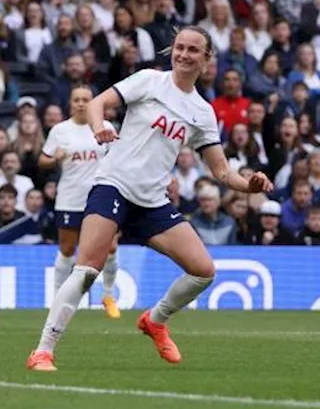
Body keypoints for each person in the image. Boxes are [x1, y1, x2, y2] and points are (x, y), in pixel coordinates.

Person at [27, 28, 273, 372]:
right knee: (86, 270)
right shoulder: (148, 80)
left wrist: (250, 185)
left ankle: (155, 321)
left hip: (151, 201)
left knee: (203, 271)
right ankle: (43, 350)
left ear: (206, 60)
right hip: (112, 185)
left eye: (193, 50)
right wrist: (99, 126)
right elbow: (99, 103)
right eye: (179, 47)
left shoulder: (201, 112)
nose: (184, 54)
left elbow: (221, 171)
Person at [38, 85, 122, 319]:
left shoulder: (105, 127)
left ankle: (108, 295)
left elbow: (118, 158)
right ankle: (56, 298)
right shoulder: (60, 130)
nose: (81, 103)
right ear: (70, 104)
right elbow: (42, 160)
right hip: (70, 197)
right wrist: (54, 159)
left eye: (86, 99)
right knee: (66, 248)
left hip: (101, 196)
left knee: (111, 247)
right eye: (77, 99)